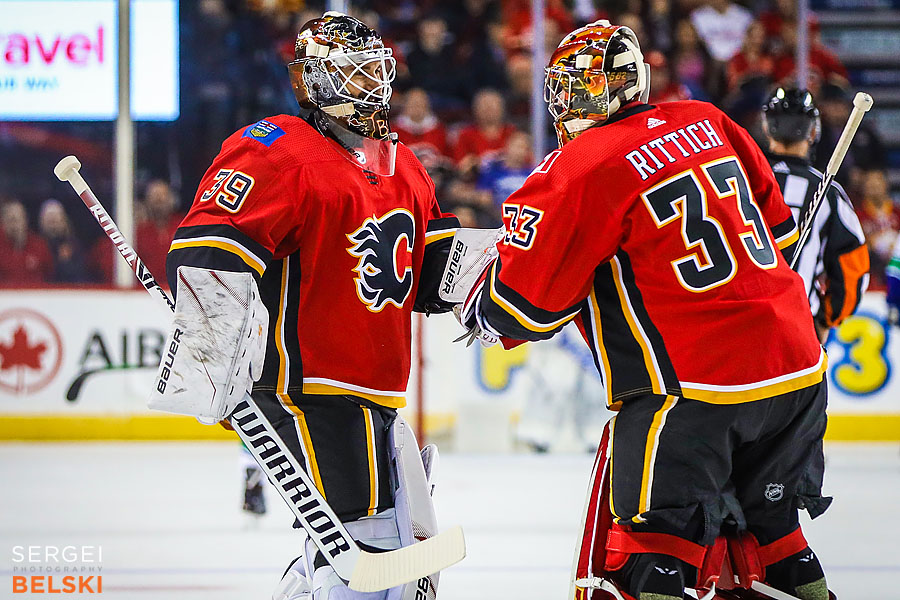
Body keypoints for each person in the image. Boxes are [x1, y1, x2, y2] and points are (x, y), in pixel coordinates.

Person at [454, 20, 833, 600]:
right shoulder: (709, 118)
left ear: (615, 87)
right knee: (777, 538)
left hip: (690, 390)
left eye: (577, 87)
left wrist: (476, 305)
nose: (565, 102)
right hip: (799, 372)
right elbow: (779, 236)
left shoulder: (582, 163)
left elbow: (524, 308)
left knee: (650, 556)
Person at [164, 12, 459, 599]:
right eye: (354, 73)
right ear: (317, 81)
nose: (372, 86)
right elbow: (207, 252)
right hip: (305, 392)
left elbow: (434, 277)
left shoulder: (405, 166)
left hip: (375, 394)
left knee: (380, 555)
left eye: (376, 71)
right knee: (367, 554)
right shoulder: (275, 149)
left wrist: (507, 274)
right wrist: (209, 351)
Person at [762, 87, 869, 342]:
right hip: (797, 330)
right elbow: (853, 265)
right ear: (813, 131)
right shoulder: (827, 192)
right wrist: (826, 319)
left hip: (734, 325)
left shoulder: (738, 178)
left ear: (767, 128)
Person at [0, 200, 53, 286]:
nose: (14, 225)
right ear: (3, 223)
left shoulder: (39, 246)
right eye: (10, 220)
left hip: (36, 296)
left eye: (16, 220)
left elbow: (50, 274)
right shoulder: (1, 247)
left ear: (25, 220)